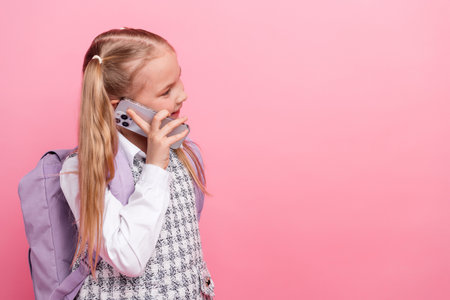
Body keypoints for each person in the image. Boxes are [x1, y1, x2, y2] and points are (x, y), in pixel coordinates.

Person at [59, 27, 215, 299]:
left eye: (179, 79)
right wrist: (154, 168)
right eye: (167, 90)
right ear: (121, 108)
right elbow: (128, 258)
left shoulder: (185, 154)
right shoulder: (83, 169)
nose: (182, 95)